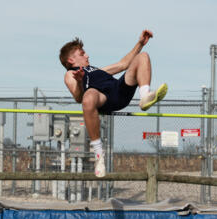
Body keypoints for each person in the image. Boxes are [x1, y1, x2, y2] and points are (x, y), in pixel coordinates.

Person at [59, 30, 167, 177]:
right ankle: (99, 155)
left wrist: (140, 43)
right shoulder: (71, 74)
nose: (87, 55)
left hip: (119, 90)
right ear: (71, 60)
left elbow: (124, 64)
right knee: (88, 97)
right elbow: (78, 97)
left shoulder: (96, 70)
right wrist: (79, 81)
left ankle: (144, 96)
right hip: (101, 97)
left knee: (143, 57)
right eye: (82, 53)